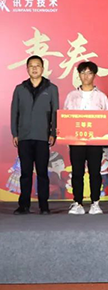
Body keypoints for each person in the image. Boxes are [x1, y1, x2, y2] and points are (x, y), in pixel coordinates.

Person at [10, 55, 59, 215]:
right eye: (31, 66)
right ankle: (24, 205)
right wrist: (15, 133)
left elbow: (55, 113)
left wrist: (53, 133)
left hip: (42, 136)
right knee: (25, 173)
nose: (34, 68)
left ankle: (44, 206)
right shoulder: (20, 89)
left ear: (43, 68)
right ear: (27, 69)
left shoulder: (51, 89)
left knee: (42, 172)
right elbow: (14, 112)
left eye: (37, 65)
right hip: (24, 136)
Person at [63, 61, 108, 215]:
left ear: (94, 75)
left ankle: (95, 203)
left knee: (95, 172)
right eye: (83, 73)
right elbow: (65, 117)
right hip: (76, 141)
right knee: (77, 172)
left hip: (95, 141)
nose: (86, 76)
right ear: (79, 75)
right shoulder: (71, 96)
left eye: (89, 73)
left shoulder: (101, 97)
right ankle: (77, 203)